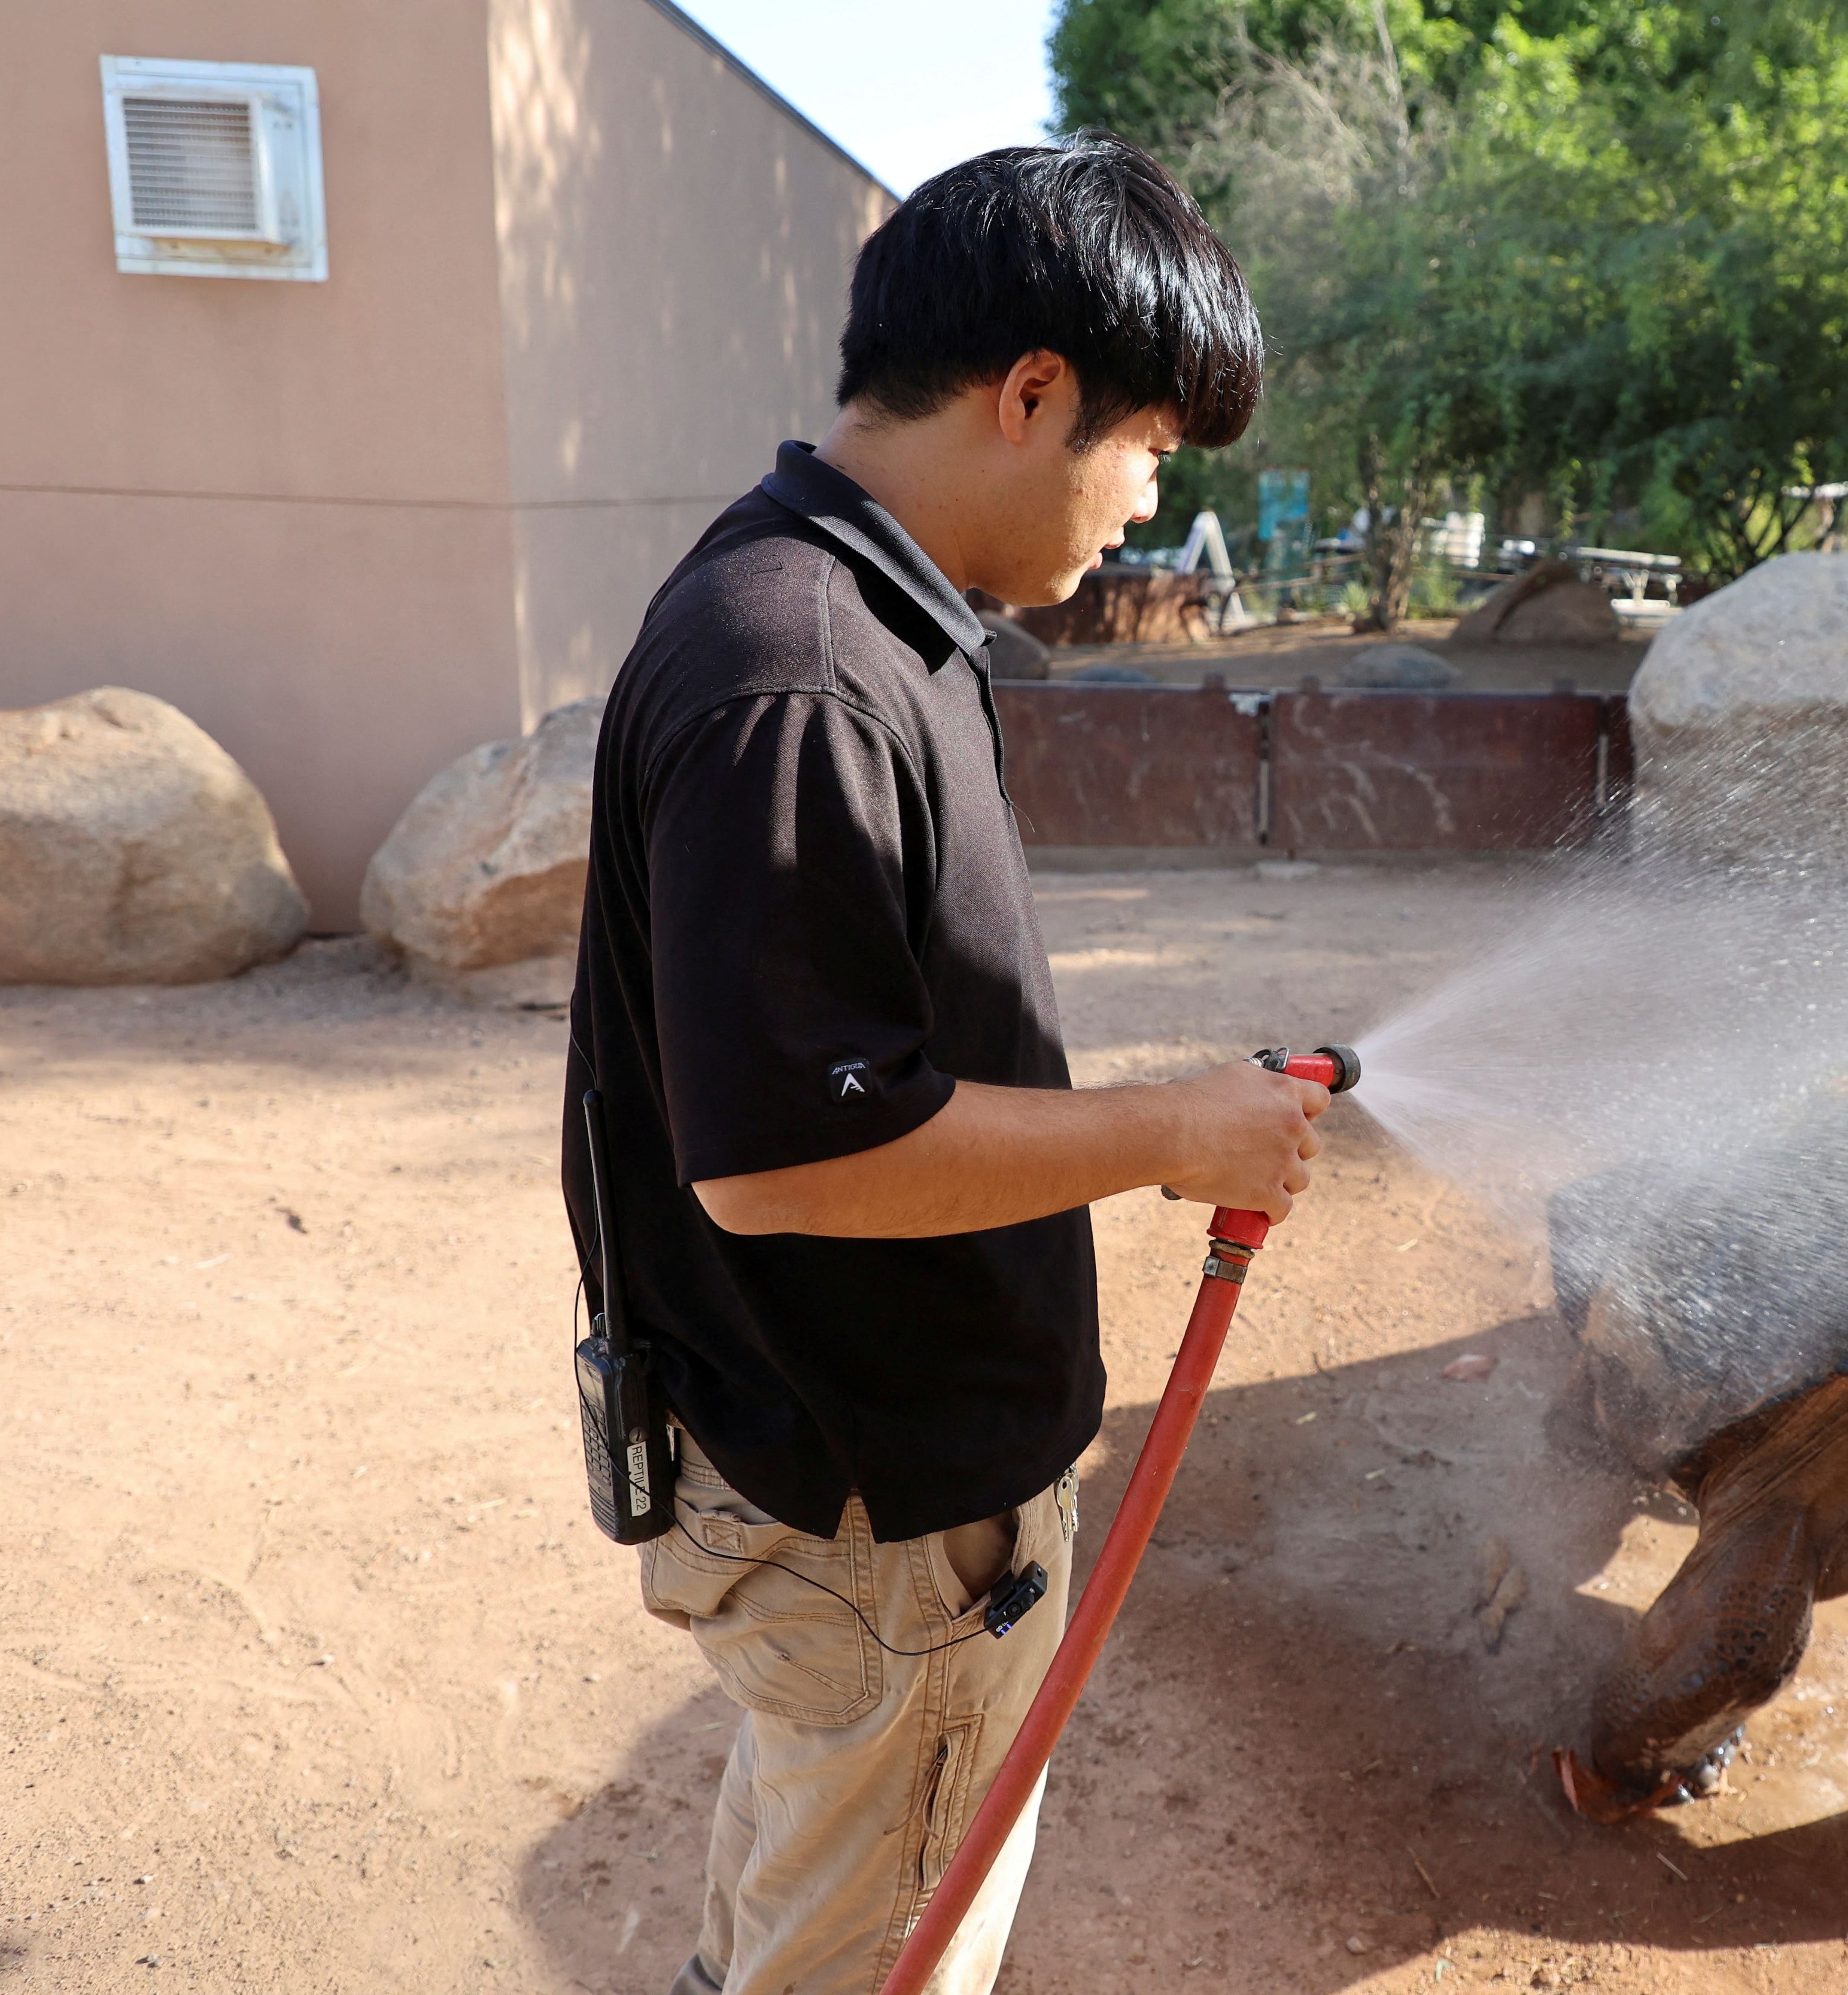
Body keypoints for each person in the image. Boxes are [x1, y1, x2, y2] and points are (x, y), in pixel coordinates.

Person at [561, 138, 1321, 1995]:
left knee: (804, 1879)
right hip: (877, 1518)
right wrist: (1167, 1131)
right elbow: (787, 1160)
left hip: (839, 1492)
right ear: (1031, 394)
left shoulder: (847, 619)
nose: (1145, 506)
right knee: (870, 1950)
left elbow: (839, 1066)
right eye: (1145, 450)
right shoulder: (803, 673)